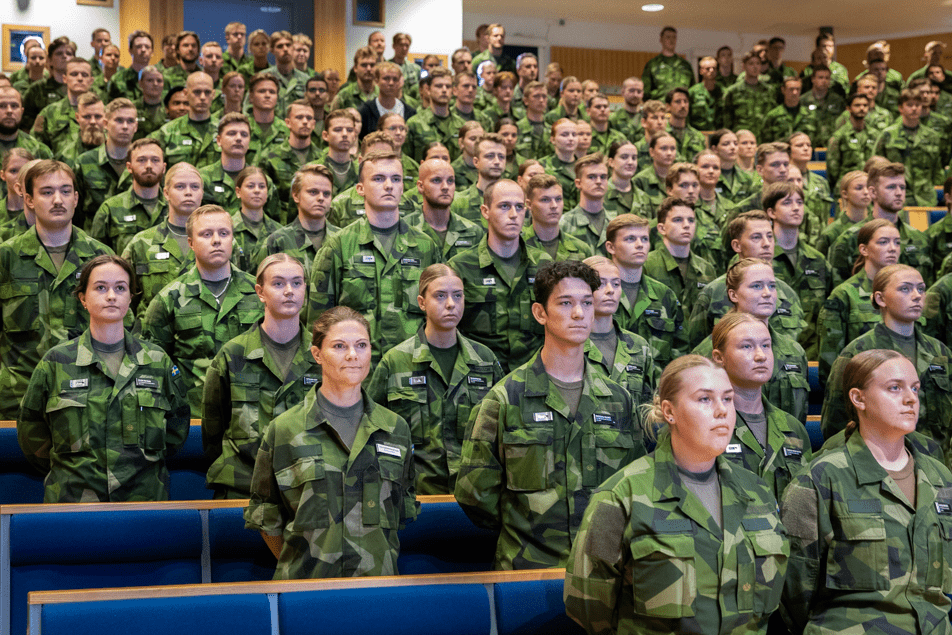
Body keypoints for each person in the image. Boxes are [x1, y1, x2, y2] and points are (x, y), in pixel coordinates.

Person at [565, 355, 788, 635]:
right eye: (705, 399)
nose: (722, 411)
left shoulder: (757, 492)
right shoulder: (621, 496)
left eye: (728, 399)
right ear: (669, 412)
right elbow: (588, 609)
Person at [456, 259, 643, 570]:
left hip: (602, 575)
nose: (580, 313)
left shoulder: (619, 401)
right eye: (565, 303)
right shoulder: (505, 399)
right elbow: (475, 494)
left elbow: (633, 487)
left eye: (586, 302)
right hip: (527, 569)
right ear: (540, 313)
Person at [782, 349, 952, 635]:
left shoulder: (940, 477)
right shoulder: (821, 479)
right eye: (894, 388)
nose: (911, 399)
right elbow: (794, 590)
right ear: (858, 398)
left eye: (915, 388)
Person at [245, 306, 417, 578]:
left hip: (377, 590)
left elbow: (401, 514)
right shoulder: (285, 429)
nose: (353, 355)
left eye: (361, 345)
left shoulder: (395, 429)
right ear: (317, 354)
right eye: (339, 346)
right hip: (306, 592)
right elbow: (268, 521)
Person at [17, 254, 189, 503]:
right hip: (73, 501)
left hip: (144, 502)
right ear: (83, 299)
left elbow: (176, 430)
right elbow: (32, 435)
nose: (111, 296)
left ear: (130, 298)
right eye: (100, 288)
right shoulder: (56, 362)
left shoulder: (157, 361)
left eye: (120, 288)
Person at [368, 263, 502, 495]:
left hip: (475, 498)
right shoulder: (396, 362)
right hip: (414, 495)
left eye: (457, 296)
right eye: (440, 296)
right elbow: (369, 429)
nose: (451, 304)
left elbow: (502, 431)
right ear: (421, 303)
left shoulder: (484, 361)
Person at [0, 160, 115, 419]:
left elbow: (118, 328)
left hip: (87, 395)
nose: (57, 200)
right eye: (47, 192)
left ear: (76, 198)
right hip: (17, 395)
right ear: (29, 200)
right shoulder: (6, 257)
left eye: (65, 191)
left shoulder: (99, 257)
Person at [307, 150, 441, 366]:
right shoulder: (339, 245)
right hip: (354, 369)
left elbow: (438, 315)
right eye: (379, 178)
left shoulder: (426, 246)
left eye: (396, 179)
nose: (389, 185)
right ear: (360, 189)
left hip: (412, 368)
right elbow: (318, 320)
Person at [202, 253, 320, 499]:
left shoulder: (323, 356)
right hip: (243, 487)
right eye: (278, 283)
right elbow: (212, 431)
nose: (289, 290)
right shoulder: (233, 355)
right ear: (260, 292)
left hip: (308, 489)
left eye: (297, 283)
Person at [142, 204, 263, 415]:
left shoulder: (259, 294)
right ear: (190, 243)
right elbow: (153, 364)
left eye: (224, 233)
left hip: (250, 412)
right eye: (206, 234)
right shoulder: (169, 298)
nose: (216, 240)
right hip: (193, 415)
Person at [822, 265, 952, 454]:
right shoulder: (858, 353)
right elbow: (835, 424)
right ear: (880, 298)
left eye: (921, 289)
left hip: (934, 468)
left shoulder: (940, 352)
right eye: (905, 289)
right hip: (877, 463)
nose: (917, 296)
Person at [449, 179, 551, 372]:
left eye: (519, 207)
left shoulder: (543, 265)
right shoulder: (460, 267)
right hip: (479, 375)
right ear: (485, 211)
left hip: (532, 375)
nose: (513, 215)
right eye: (504, 206)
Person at [818, 219, 896, 385]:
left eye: (897, 242)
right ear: (864, 249)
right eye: (883, 242)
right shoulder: (844, 295)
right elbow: (830, 364)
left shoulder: (905, 294)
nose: (892, 248)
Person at [828, 162, 932, 286]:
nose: (899, 193)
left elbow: (928, 290)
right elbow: (838, 290)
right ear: (872, 192)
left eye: (902, 187)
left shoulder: (919, 239)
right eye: (891, 187)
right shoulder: (850, 239)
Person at [605, 213, 685, 368]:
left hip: (657, 388)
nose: (639, 244)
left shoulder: (664, 295)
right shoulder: (596, 292)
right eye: (630, 239)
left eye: (644, 239)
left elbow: (680, 350)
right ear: (611, 247)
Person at [120, 162, 201, 316]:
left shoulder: (221, 242)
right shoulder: (142, 243)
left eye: (195, 187)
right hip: (152, 335)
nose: (188, 192)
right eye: (180, 187)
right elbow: (121, 293)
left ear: (202, 192)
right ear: (166, 193)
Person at [764, 181, 831, 358]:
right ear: (771, 212)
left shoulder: (817, 259)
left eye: (799, 202)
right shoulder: (759, 259)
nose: (796, 208)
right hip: (770, 354)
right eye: (787, 203)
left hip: (812, 354)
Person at [583, 255, 657, 405]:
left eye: (616, 284)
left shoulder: (638, 346)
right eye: (600, 284)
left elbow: (649, 405)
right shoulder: (571, 344)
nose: (610, 290)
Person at [252, 164, 340, 274]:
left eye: (326, 193)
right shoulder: (277, 242)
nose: (321, 198)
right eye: (313, 192)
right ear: (296, 196)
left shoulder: (343, 239)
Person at [90, 137, 167, 255]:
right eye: (141, 160)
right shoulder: (110, 209)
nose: (149, 165)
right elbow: (96, 256)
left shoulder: (175, 208)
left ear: (164, 167)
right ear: (129, 167)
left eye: (155, 160)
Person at [874, 89, 943, 207]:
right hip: (896, 196)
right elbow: (876, 165)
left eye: (918, 105)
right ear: (901, 108)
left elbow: (937, 170)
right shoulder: (888, 134)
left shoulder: (932, 136)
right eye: (910, 105)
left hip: (926, 197)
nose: (914, 108)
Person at [404, 158, 482, 262]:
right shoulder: (403, 230)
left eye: (450, 181)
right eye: (436, 180)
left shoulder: (473, 232)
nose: (445, 187)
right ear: (421, 186)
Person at [644, 196, 716, 309]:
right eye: (678, 220)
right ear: (662, 228)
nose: (686, 225)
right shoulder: (646, 265)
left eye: (691, 220)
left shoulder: (707, 269)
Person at [150, 71, 218, 169]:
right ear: (186, 93)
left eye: (207, 92)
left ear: (213, 94)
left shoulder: (224, 130)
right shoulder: (167, 132)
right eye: (197, 92)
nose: (202, 97)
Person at [523, 173, 592, 261]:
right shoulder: (517, 247)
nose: (554, 206)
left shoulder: (581, 250)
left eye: (558, 199)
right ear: (529, 204)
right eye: (545, 200)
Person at [826, 92, 876, 189]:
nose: (862, 108)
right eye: (857, 105)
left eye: (865, 105)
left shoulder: (875, 135)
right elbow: (832, 168)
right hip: (846, 187)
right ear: (848, 108)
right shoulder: (839, 136)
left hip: (870, 186)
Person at [817, 170, 871, 258]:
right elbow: (819, 266)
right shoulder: (831, 233)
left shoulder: (878, 226)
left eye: (869, 187)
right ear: (845, 194)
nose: (866, 192)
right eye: (859, 188)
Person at [723, 51, 775, 139]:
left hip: (764, 138)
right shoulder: (733, 91)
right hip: (741, 138)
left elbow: (772, 117)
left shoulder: (769, 90)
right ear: (744, 66)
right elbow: (726, 120)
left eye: (758, 63)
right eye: (751, 64)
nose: (755, 67)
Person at [641, 26, 694, 101]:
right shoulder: (652, 64)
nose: (671, 40)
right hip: (660, 108)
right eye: (668, 37)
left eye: (674, 37)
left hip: (681, 108)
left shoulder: (685, 65)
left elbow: (692, 91)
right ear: (661, 40)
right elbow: (645, 93)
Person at [602, 141, 652, 218]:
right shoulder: (600, 195)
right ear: (611, 162)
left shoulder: (644, 198)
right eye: (624, 157)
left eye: (634, 158)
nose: (630, 162)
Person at [709, 129, 757, 204]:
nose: (732, 147)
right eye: (726, 144)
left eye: (735, 143)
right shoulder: (708, 176)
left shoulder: (746, 178)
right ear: (715, 149)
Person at [632, 131, 678, 211]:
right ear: (651, 152)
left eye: (672, 149)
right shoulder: (640, 181)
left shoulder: (680, 178)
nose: (669, 153)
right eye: (664, 148)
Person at [665, 87, 705, 162]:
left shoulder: (698, 137)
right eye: (678, 101)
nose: (683, 105)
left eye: (685, 101)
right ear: (668, 107)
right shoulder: (661, 134)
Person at [689, 56, 722, 132]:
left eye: (714, 68)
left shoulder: (723, 91)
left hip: (718, 134)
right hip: (698, 133)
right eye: (708, 68)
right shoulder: (692, 92)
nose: (711, 70)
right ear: (701, 71)